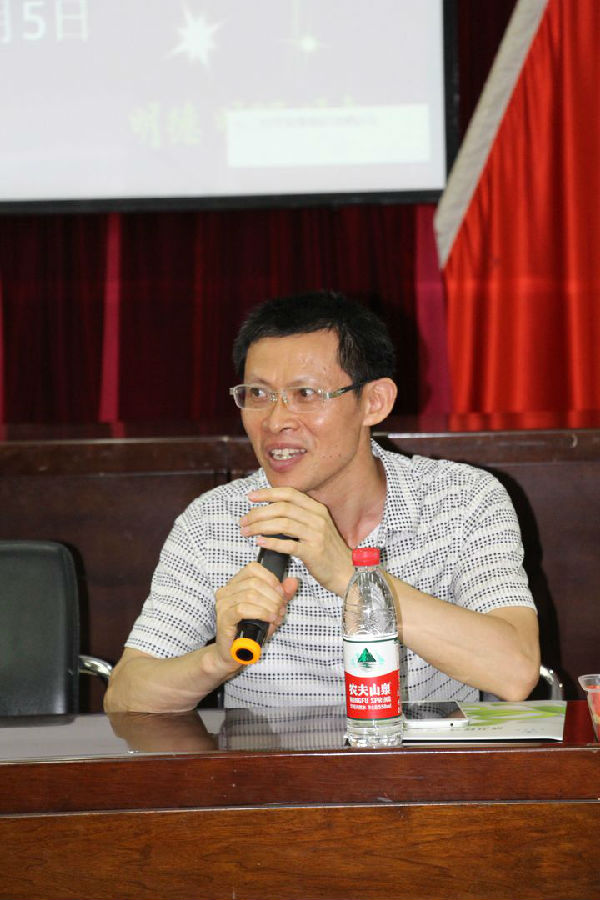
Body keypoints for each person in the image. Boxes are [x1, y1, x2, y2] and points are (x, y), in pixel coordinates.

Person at [104, 290, 540, 713]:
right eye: (258, 394)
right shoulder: (212, 522)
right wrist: (218, 659)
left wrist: (349, 575)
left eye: (305, 395)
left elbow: (515, 672)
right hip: (269, 765)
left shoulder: (463, 500)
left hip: (423, 763)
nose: (276, 421)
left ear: (375, 402)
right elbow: (125, 695)